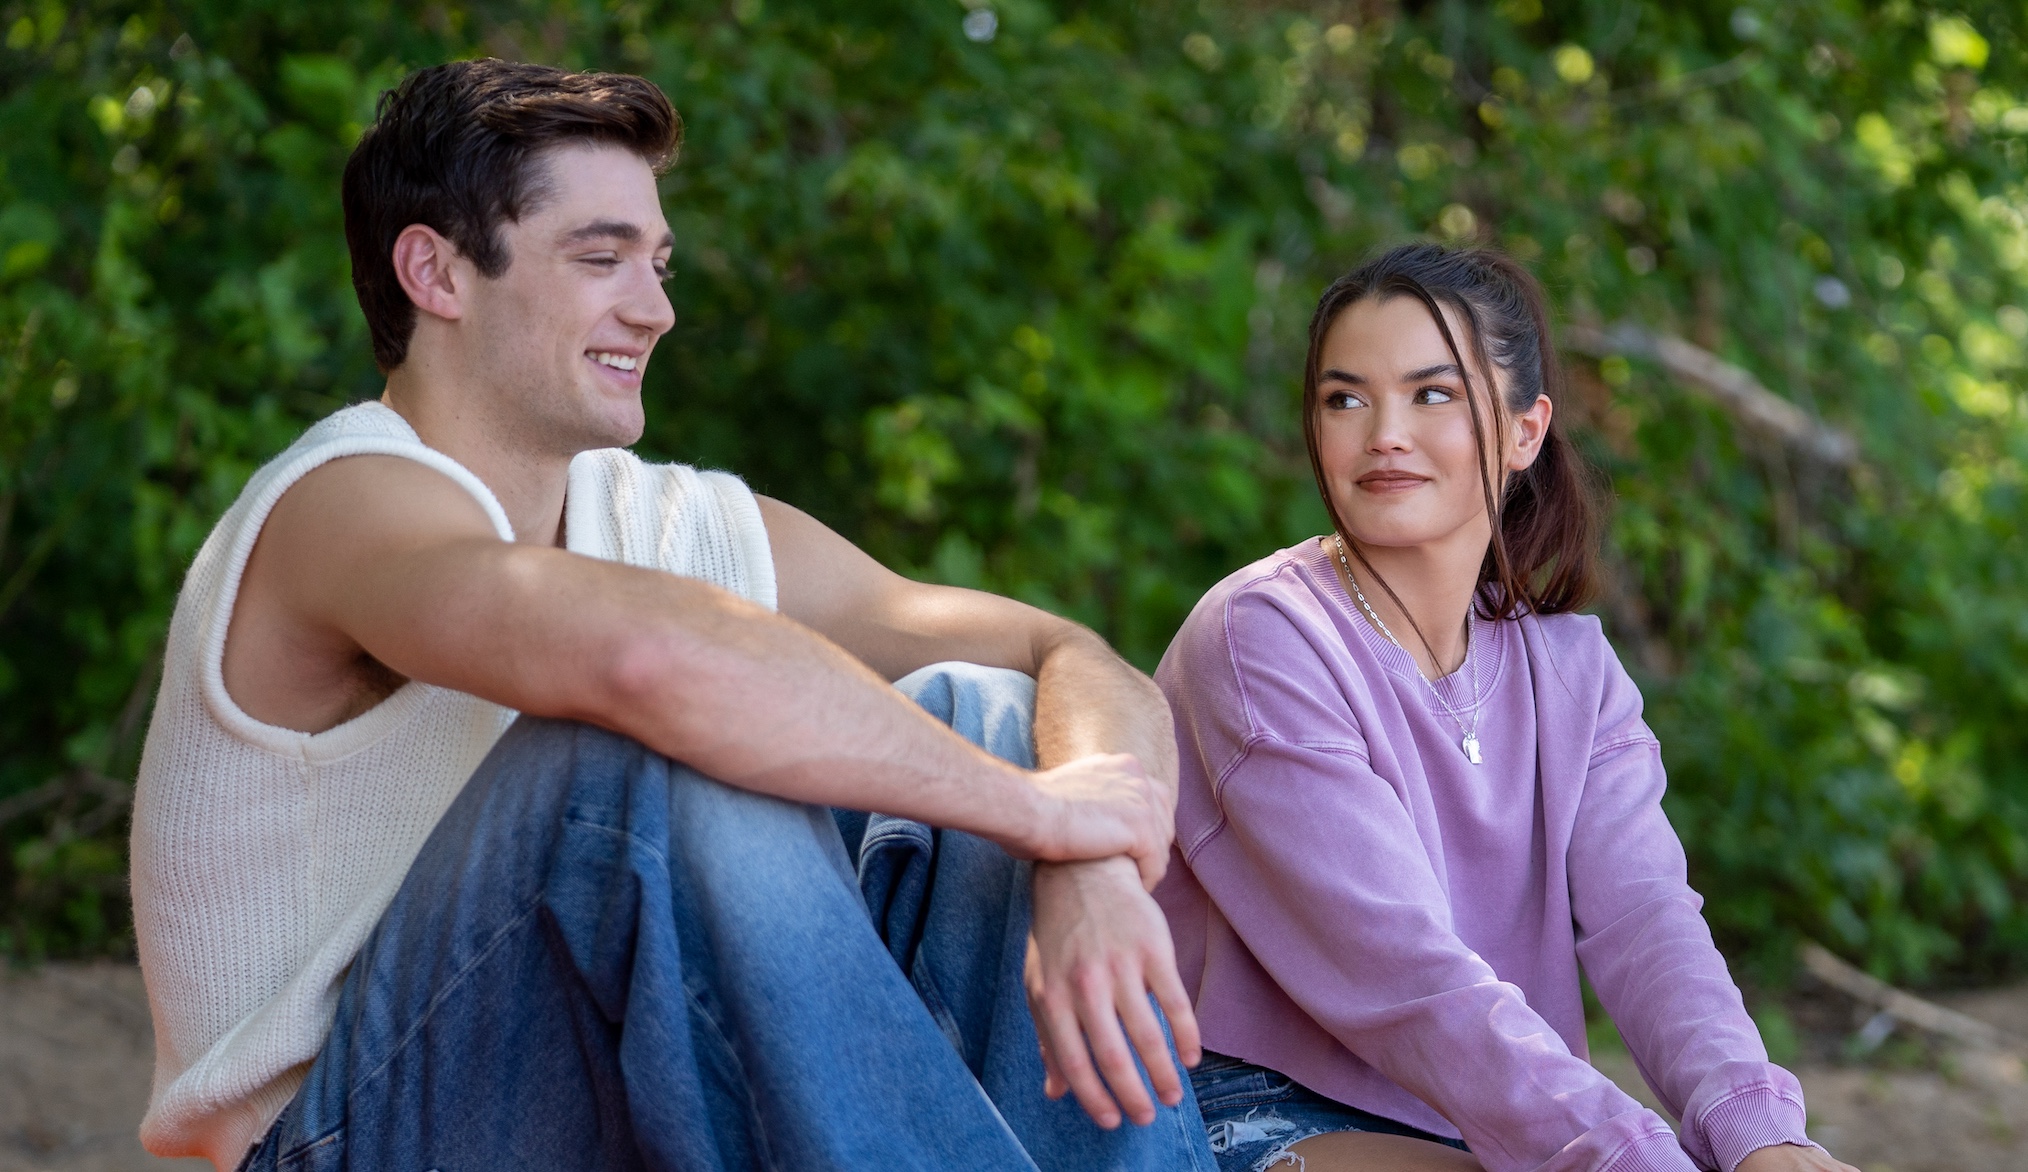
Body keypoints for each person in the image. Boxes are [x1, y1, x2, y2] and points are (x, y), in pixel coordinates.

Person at [130, 59, 1214, 1172]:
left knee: (986, 708)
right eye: (600, 258)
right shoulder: (343, 501)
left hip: (573, 1108)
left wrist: (1086, 855)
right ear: (436, 271)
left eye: (657, 263)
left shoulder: (667, 521)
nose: (655, 309)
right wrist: (1035, 813)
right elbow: (646, 662)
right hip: (339, 1142)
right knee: (626, 759)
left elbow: (1066, 651)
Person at [1152, 243, 1860, 1172]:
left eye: (1432, 394)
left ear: (1526, 431)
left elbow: (1646, 920)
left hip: (1481, 1119)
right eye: (1345, 399)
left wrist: (1759, 1131)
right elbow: (1404, 975)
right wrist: (1628, 1153)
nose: (1384, 434)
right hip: (1247, 1106)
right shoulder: (1264, 638)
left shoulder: (1572, 670)